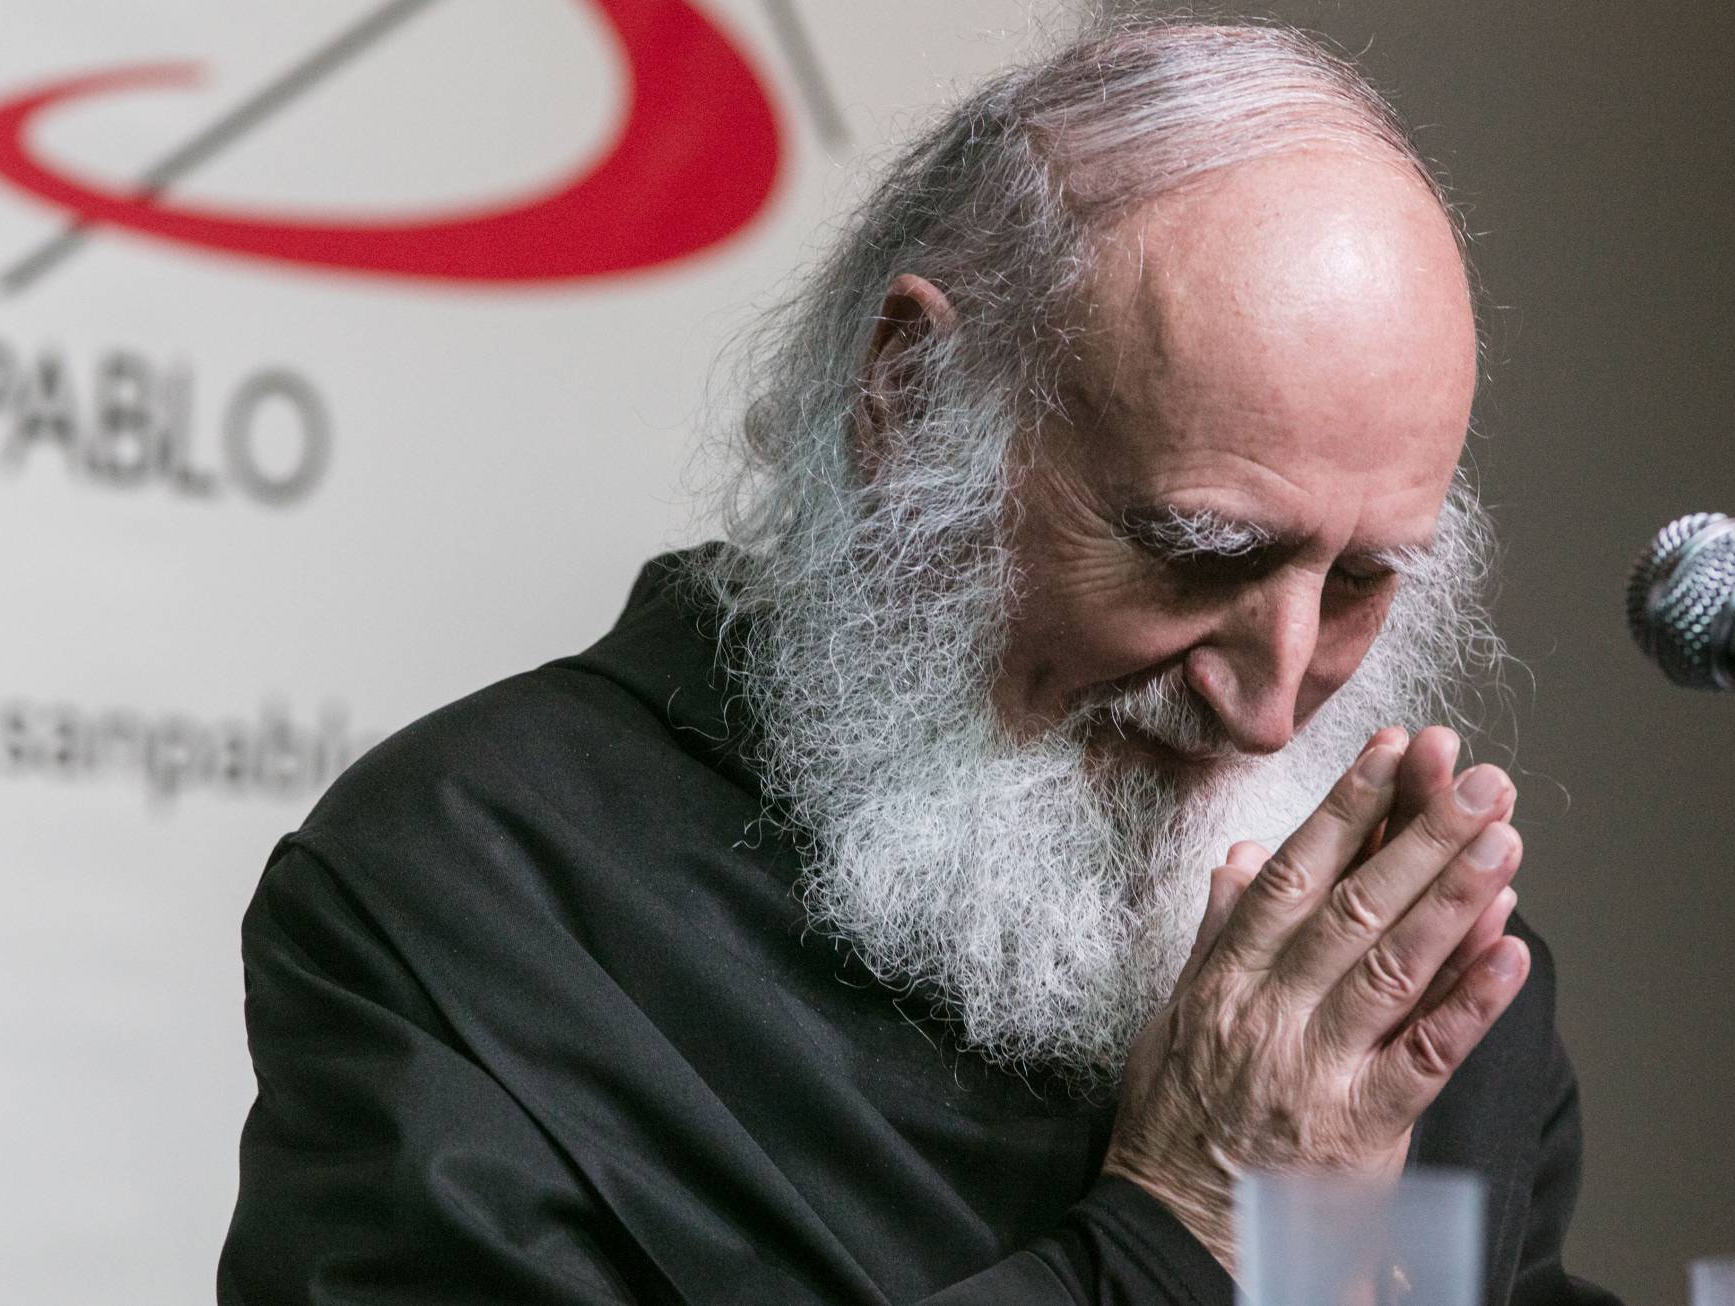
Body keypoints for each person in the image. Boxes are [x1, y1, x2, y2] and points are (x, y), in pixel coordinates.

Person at [219, 18, 1619, 1305]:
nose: (1269, 705)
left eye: (1364, 578)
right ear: (909, 400)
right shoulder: (470, 898)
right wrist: (1179, 1234)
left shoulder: (1409, 993)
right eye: (1197, 556)